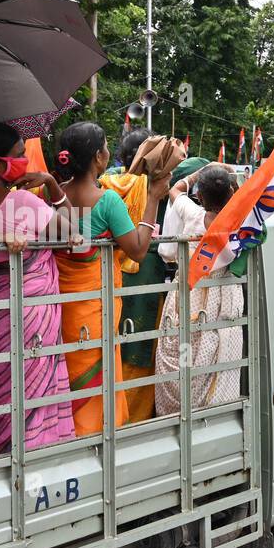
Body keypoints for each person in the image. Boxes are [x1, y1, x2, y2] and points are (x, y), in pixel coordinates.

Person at [0, 122, 77, 456]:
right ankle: (33, 465)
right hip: (32, 321)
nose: (26, 162)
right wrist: (52, 185)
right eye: (19, 155)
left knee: (5, 397)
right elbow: (71, 234)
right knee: (33, 399)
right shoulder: (25, 204)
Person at [52, 121, 165, 435]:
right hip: (94, 313)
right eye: (104, 148)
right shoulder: (107, 201)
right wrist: (153, 198)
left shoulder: (56, 195)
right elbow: (139, 250)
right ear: (99, 158)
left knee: (70, 376)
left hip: (62, 310)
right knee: (95, 386)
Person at [155, 164, 244, 415]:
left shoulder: (191, 213)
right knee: (217, 351)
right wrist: (234, 187)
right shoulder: (237, 222)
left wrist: (199, 172)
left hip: (187, 294)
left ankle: (175, 409)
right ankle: (213, 411)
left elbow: (174, 190)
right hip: (221, 297)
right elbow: (243, 200)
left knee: (182, 347)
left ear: (200, 197)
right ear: (230, 193)